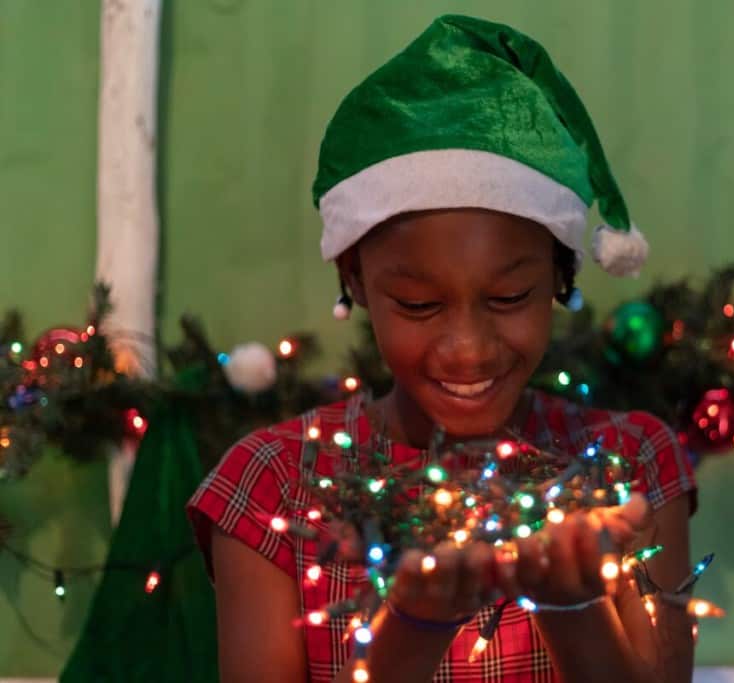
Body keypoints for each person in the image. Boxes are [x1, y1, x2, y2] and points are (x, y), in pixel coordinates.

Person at [188, 15, 697, 683]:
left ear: (559, 275)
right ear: (354, 279)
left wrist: (571, 601)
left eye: (511, 297)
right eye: (421, 306)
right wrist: (414, 624)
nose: (468, 350)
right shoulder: (273, 487)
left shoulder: (630, 462)